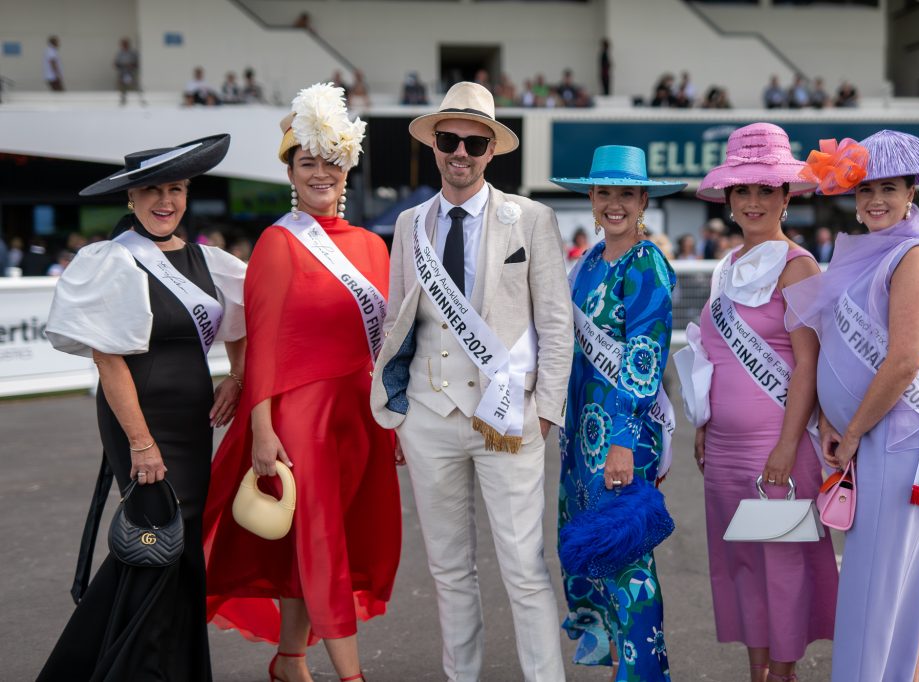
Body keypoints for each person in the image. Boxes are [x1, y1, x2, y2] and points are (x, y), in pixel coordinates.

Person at [369, 81, 573, 682]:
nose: (461, 151)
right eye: (450, 139)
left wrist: (547, 410)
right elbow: (397, 318)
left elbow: (556, 320)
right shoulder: (409, 224)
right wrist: (399, 408)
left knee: (523, 567)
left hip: (509, 415)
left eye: (474, 142)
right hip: (429, 416)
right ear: (435, 144)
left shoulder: (531, 219)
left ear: (491, 150)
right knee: (448, 569)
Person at [204, 83, 399, 682]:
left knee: (324, 541)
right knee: (320, 545)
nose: (321, 174)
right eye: (308, 163)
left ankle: (290, 659)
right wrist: (260, 431)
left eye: (331, 163)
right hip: (298, 424)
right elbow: (261, 343)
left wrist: (390, 422)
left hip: (356, 420)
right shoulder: (276, 242)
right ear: (291, 170)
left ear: (347, 170)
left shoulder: (372, 247)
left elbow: (387, 344)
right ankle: (350, 675)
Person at [37, 134, 246, 681]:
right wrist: (140, 442)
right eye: (151, 190)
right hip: (141, 422)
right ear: (130, 199)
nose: (165, 201)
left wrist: (238, 375)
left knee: (177, 544)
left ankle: (171, 668)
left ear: (187, 194)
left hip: (193, 422)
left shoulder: (208, 260)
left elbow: (243, 321)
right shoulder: (111, 260)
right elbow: (109, 362)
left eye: (175, 189)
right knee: (152, 539)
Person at [789, 130, 919, 681]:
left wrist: (851, 431)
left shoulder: (917, 255)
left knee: (874, 591)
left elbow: (904, 361)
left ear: (911, 194)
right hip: (866, 434)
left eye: (890, 188)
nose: (875, 199)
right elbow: (834, 346)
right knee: (882, 589)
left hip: (896, 441)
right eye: (866, 189)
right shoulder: (865, 250)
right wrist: (830, 418)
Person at [685, 122, 839, 682]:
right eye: (743, 191)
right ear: (728, 200)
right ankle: (757, 672)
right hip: (724, 450)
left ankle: (784, 673)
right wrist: (704, 424)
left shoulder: (798, 266)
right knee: (742, 565)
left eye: (766, 191)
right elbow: (716, 356)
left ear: (786, 196)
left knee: (782, 566)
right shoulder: (727, 267)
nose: (753, 201)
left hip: (776, 449)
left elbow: (807, 365)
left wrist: (787, 445)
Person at [551, 145, 683, 681]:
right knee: (597, 557)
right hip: (583, 437)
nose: (613, 203)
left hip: (623, 437)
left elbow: (645, 359)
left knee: (629, 561)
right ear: (590, 197)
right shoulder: (585, 265)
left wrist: (625, 441)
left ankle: (643, 675)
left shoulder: (645, 263)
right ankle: (615, 669)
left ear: (643, 199)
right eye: (603, 192)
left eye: (625, 193)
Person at [113, 37, 141, 105]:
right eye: (123, 44)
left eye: (125, 44)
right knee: (121, 86)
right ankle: (122, 99)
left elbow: (137, 63)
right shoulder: (119, 53)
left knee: (131, 86)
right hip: (122, 73)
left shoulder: (133, 53)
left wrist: (131, 65)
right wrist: (122, 65)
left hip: (130, 73)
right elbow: (116, 63)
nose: (124, 45)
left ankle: (133, 100)